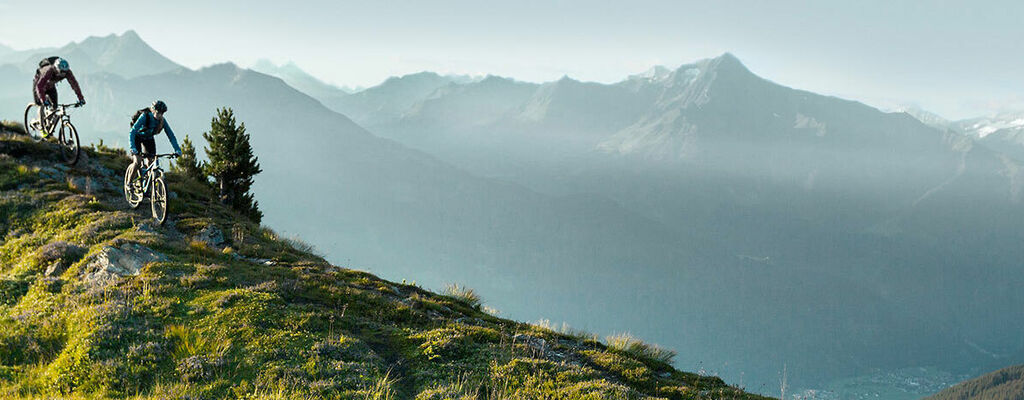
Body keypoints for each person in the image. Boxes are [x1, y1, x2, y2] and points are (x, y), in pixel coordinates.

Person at [127, 101, 181, 187]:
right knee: (137, 161)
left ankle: (148, 186)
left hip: (149, 139)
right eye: (158, 112)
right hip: (137, 137)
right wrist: (132, 148)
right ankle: (129, 183)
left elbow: (171, 136)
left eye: (162, 113)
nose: (160, 115)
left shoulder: (162, 121)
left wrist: (177, 150)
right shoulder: (145, 116)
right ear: (153, 110)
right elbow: (132, 132)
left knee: (151, 162)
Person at [33, 57, 85, 137]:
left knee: (55, 107)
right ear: (56, 68)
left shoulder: (67, 72)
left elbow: (74, 84)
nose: (63, 74)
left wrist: (81, 98)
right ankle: (41, 127)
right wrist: (43, 99)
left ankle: (48, 126)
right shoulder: (49, 71)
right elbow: (39, 86)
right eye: (61, 72)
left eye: (65, 72)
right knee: (41, 104)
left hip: (50, 87)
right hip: (39, 84)